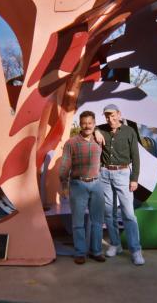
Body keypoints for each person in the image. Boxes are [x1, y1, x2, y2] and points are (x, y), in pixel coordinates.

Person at [96, 104, 145, 265]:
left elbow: (136, 157)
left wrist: (134, 178)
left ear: (119, 114)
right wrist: (96, 131)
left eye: (113, 115)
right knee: (109, 213)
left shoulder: (129, 131)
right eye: (107, 116)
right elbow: (90, 128)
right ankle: (115, 244)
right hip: (104, 174)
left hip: (123, 174)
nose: (110, 119)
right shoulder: (101, 129)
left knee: (128, 214)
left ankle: (136, 250)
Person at [59, 111, 106, 265]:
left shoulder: (99, 140)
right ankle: (80, 253)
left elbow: (114, 128)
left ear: (94, 124)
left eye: (90, 123)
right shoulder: (71, 143)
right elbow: (64, 165)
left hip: (97, 184)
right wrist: (64, 185)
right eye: (84, 123)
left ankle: (96, 251)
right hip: (77, 185)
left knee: (97, 221)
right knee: (78, 222)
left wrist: (98, 131)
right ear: (80, 124)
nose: (87, 126)